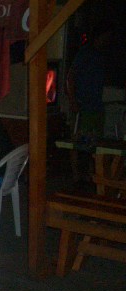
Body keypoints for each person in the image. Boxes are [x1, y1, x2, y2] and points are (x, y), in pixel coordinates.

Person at [66, 23, 114, 182]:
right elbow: (70, 77)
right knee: (76, 141)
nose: (107, 40)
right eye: (106, 37)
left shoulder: (102, 56)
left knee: (95, 142)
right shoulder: (84, 53)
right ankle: (75, 174)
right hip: (82, 105)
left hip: (96, 105)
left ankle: (92, 174)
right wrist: (73, 100)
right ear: (99, 36)